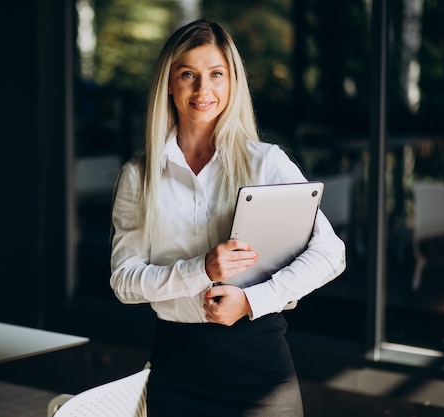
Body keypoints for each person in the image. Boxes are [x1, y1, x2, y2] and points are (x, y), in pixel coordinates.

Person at [109, 19, 346, 417]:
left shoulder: (267, 163)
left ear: (232, 82)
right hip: (178, 367)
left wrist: (253, 300)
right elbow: (124, 281)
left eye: (216, 74)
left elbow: (330, 252)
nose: (204, 90)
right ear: (169, 84)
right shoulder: (140, 175)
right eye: (189, 75)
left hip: (260, 367)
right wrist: (201, 269)